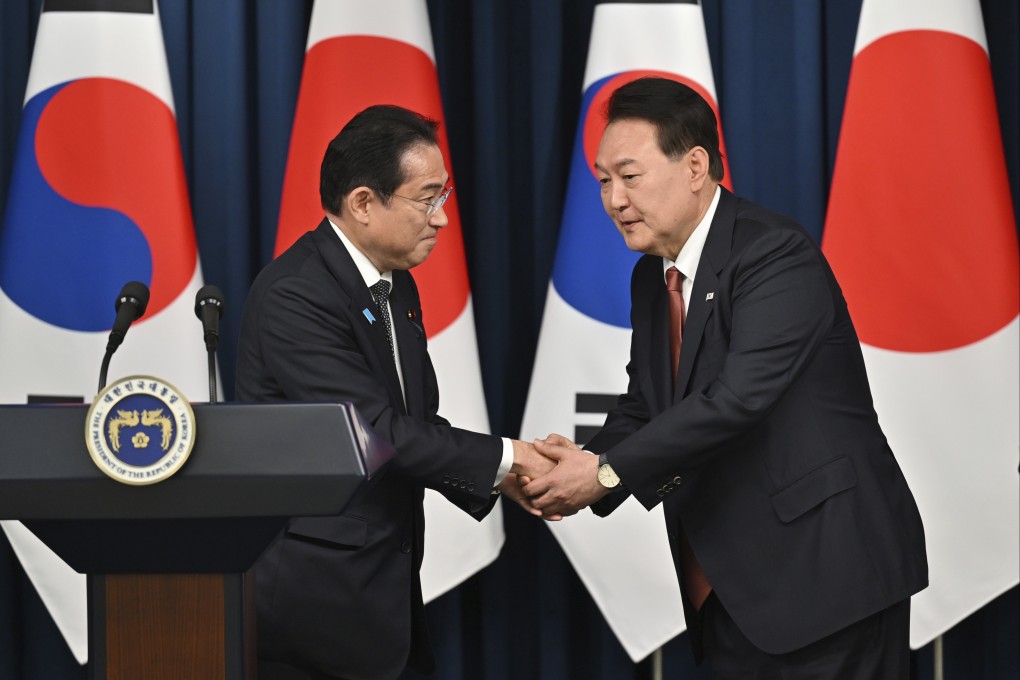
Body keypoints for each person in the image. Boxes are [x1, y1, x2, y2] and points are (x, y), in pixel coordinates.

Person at [523, 77, 928, 678]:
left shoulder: (773, 254)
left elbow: (735, 400)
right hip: (729, 588)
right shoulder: (651, 278)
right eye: (603, 181)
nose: (612, 200)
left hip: (825, 579)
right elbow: (647, 402)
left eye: (629, 177)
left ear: (695, 166)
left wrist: (605, 473)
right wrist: (580, 465)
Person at [235, 105, 549, 680]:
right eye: (427, 198)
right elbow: (374, 434)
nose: (442, 219)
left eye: (443, 197)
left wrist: (506, 474)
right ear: (362, 203)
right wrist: (509, 457)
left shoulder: (393, 283)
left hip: (386, 595)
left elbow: (415, 422)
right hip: (314, 612)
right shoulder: (296, 295)